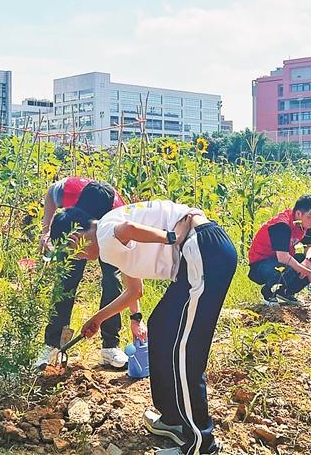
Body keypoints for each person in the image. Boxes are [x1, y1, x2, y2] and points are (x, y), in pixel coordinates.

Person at [49, 200, 237, 455]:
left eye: (72, 250)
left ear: (76, 235)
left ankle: (201, 444)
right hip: (199, 254)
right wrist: (98, 318)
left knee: (184, 351)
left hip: (203, 250)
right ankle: (173, 418)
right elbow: (134, 291)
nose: (77, 256)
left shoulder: (105, 233)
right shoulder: (109, 238)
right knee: (161, 327)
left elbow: (127, 229)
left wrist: (172, 236)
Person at [36, 177, 128, 368]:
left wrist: (136, 316)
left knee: (112, 281)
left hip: (109, 237)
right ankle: (54, 346)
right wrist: (46, 232)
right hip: (76, 232)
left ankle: (110, 347)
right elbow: (51, 193)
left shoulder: (119, 214)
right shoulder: (69, 191)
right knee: (66, 282)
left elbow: (132, 276)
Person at [247, 195, 311, 305]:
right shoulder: (282, 225)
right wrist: (308, 272)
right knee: (281, 268)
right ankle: (268, 293)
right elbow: (283, 257)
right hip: (262, 264)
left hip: (282, 259)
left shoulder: (304, 224)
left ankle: (285, 292)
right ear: (298, 214)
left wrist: (308, 261)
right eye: (310, 216)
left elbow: (310, 246)